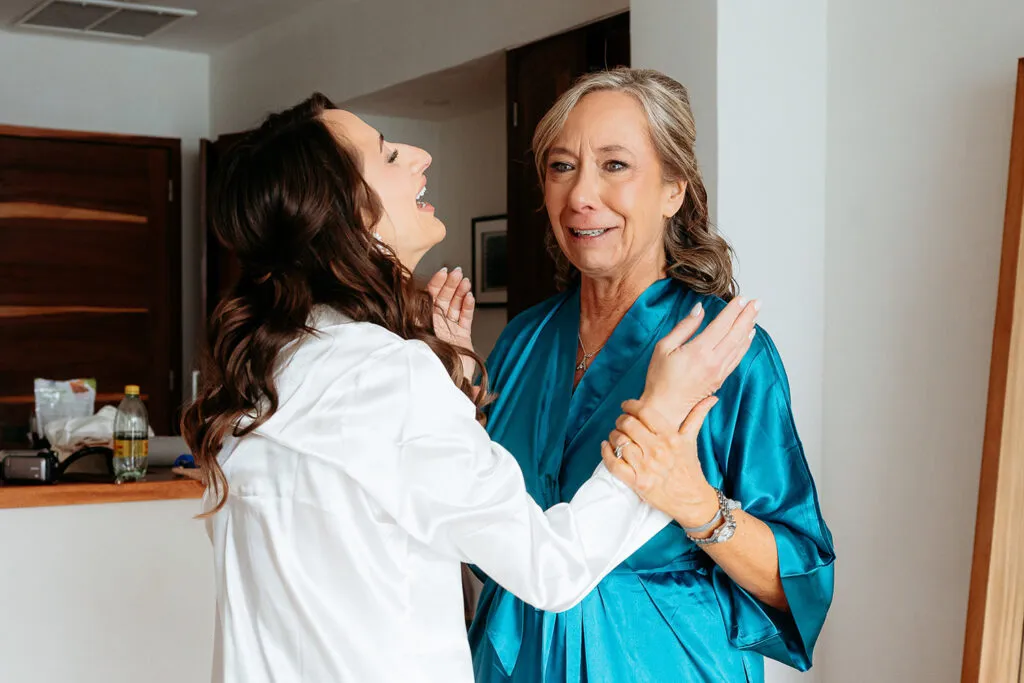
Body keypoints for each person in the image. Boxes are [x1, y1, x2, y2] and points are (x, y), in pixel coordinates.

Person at [180, 92, 760, 683]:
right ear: (345, 212)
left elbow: (382, 535)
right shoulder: (423, 369)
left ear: (674, 190)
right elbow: (548, 566)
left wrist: (447, 395)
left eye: (614, 164)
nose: (419, 155)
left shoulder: (268, 374)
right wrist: (658, 416)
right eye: (386, 155)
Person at [468, 68, 836, 683]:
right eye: (562, 167)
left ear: (673, 190)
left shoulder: (728, 352)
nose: (581, 194)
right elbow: (486, 534)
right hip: (515, 658)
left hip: (660, 661)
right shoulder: (521, 342)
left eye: (614, 166)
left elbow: (799, 580)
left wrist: (691, 501)